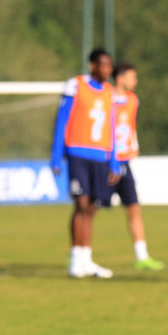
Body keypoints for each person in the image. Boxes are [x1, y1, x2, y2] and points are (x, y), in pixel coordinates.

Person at [50, 48, 119, 279]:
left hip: (100, 156)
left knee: (92, 207)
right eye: (103, 65)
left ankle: (87, 259)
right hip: (78, 153)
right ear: (93, 66)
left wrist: (115, 162)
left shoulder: (110, 93)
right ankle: (75, 259)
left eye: (110, 66)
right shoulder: (75, 85)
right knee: (80, 204)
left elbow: (112, 128)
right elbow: (62, 121)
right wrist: (56, 155)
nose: (108, 70)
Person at [111, 62, 165, 271]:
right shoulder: (107, 99)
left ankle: (141, 256)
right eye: (132, 77)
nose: (136, 81)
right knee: (88, 209)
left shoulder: (133, 100)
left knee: (133, 208)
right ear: (120, 78)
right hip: (106, 162)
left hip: (125, 162)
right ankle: (80, 253)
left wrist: (134, 145)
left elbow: (130, 126)